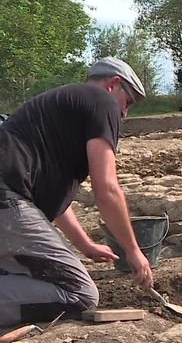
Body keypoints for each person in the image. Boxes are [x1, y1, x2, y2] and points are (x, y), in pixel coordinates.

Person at [0, 57, 153, 327]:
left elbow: (56, 201)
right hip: (6, 198)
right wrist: (133, 251)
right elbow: (106, 189)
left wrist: (85, 245)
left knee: (32, 277)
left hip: (10, 199)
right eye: (127, 102)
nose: (125, 113)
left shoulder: (62, 109)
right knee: (79, 292)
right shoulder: (101, 101)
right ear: (113, 85)